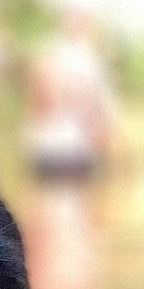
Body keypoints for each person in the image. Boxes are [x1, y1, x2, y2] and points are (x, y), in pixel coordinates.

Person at [25, 10, 117, 182]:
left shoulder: (50, 56)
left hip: (58, 147)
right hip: (64, 148)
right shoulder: (85, 62)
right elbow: (96, 112)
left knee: (50, 199)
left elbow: (39, 105)